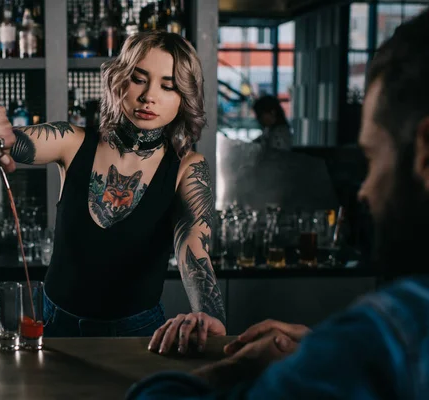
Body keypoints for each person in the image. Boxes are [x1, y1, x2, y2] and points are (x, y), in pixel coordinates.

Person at [126, 7, 429, 399]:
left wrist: (234, 368)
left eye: (372, 159)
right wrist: (315, 344)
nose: (364, 190)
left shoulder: (383, 335)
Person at [0, 31, 226, 348]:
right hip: (53, 323)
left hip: (138, 334)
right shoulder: (72, 141)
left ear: (184, 98)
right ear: (119, 82)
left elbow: (194, 252)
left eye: (167, 86)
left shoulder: (187, 167)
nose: (149, 96)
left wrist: (210, 315)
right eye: (139, 79)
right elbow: (13, 141)